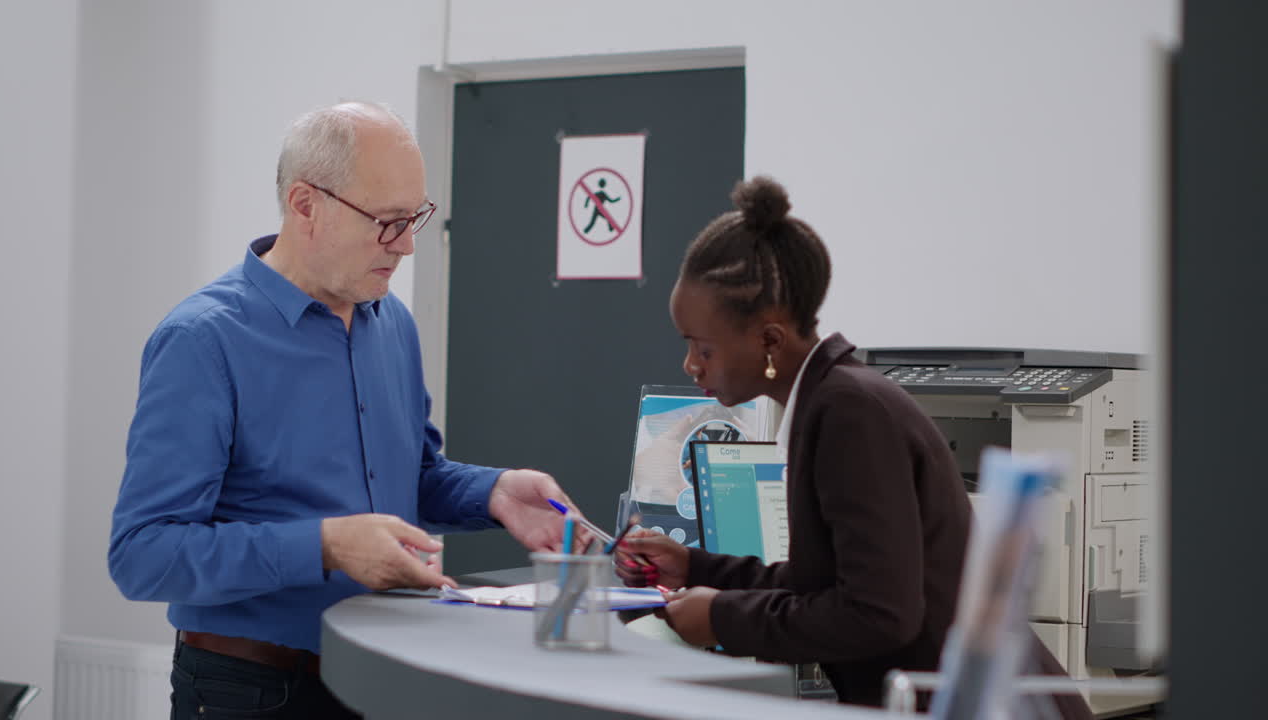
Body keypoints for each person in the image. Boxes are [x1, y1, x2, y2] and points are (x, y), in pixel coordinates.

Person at [109, 102, 584, 720]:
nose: (408, 245)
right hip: (251, 692)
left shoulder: (392, 324)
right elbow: (143, 556)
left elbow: (411, 476)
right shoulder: (204, 340)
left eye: (415, 218)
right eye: (388, 222)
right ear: (306, 205)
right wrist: (325, 546)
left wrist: (492, 493)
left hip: (378, 679)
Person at [616, 176, 1092, 718]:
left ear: (769, 341)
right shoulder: (826, 399)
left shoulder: (848, 411)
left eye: (703, 348)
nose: (691, 365)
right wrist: (696, 569)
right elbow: (820, 584)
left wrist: (723, 618)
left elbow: (878, 613)